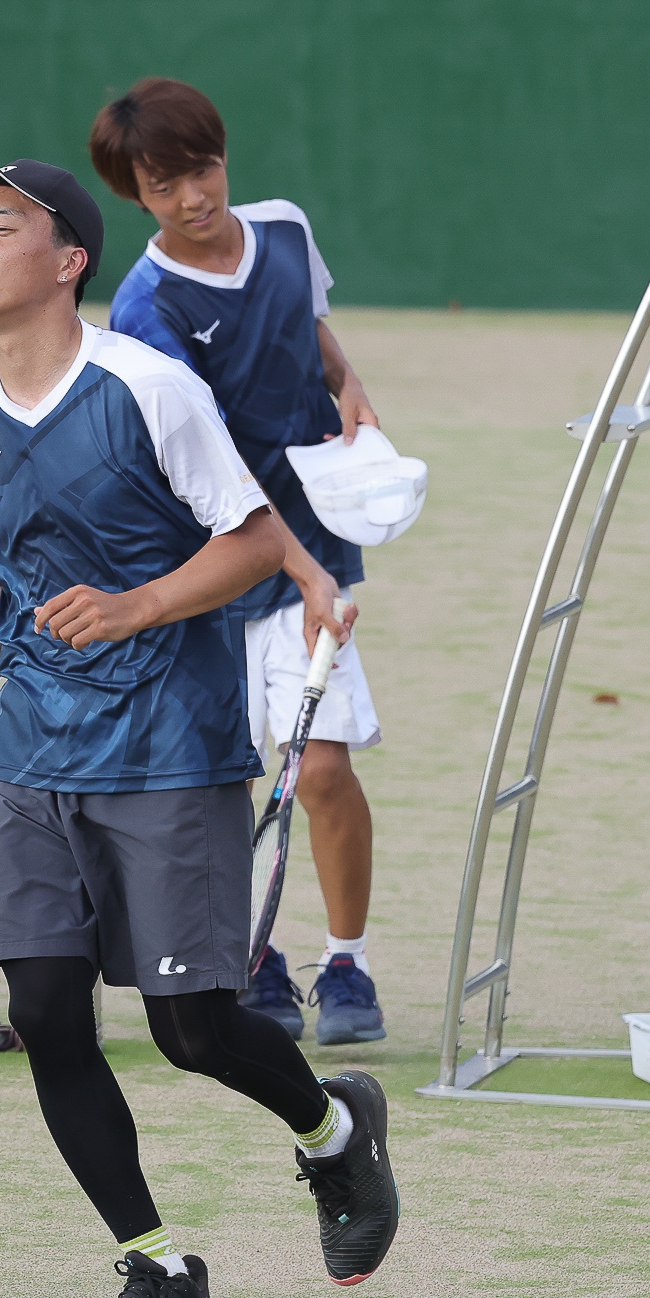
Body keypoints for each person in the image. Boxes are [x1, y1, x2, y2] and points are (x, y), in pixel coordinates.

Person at [0, 151, 398, 1298]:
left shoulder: (148, 387)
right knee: (45, 1010)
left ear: (69, 259)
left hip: (168, 751)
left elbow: (253, 539)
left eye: (3, 225)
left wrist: (134, 606)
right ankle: (160, 1270)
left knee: (193, 1027)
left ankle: (335, 1130)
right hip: (34, 759)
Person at [90, 77, 389, 1047]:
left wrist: (350, 385)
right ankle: (253, 958)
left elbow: (310, 326)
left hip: (312, 550)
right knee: (223, 789)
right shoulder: (147, 308)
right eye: (164, 185)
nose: (193, 198)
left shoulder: (287, 231)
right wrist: (294, 567)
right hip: (214, 573)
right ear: (136, 194)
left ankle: (348, 963)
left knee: (323, 769)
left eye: (203, 170)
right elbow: (208, 466)